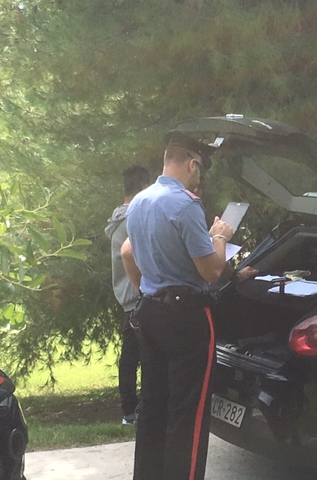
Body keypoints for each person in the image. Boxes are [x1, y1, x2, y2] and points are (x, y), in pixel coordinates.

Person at [120, 131, 253, 480]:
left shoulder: (139, 202)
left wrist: (146, 290)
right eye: (200, 169)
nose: (200, 177)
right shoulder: (186, 204)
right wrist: (220, 237)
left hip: (150, 313)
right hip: (186, 319)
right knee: (187, 413)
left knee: (152, 406)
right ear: (192, 164)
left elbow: (127, 252)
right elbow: (211, 271)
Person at [104, 164, 150, 425]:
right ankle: (133, 411)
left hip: (127, 297)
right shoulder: (133, 218)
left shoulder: (117, 218)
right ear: (144, 187)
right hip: (138, 296)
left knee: (130, 356)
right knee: (143, 356)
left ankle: (130, 410)